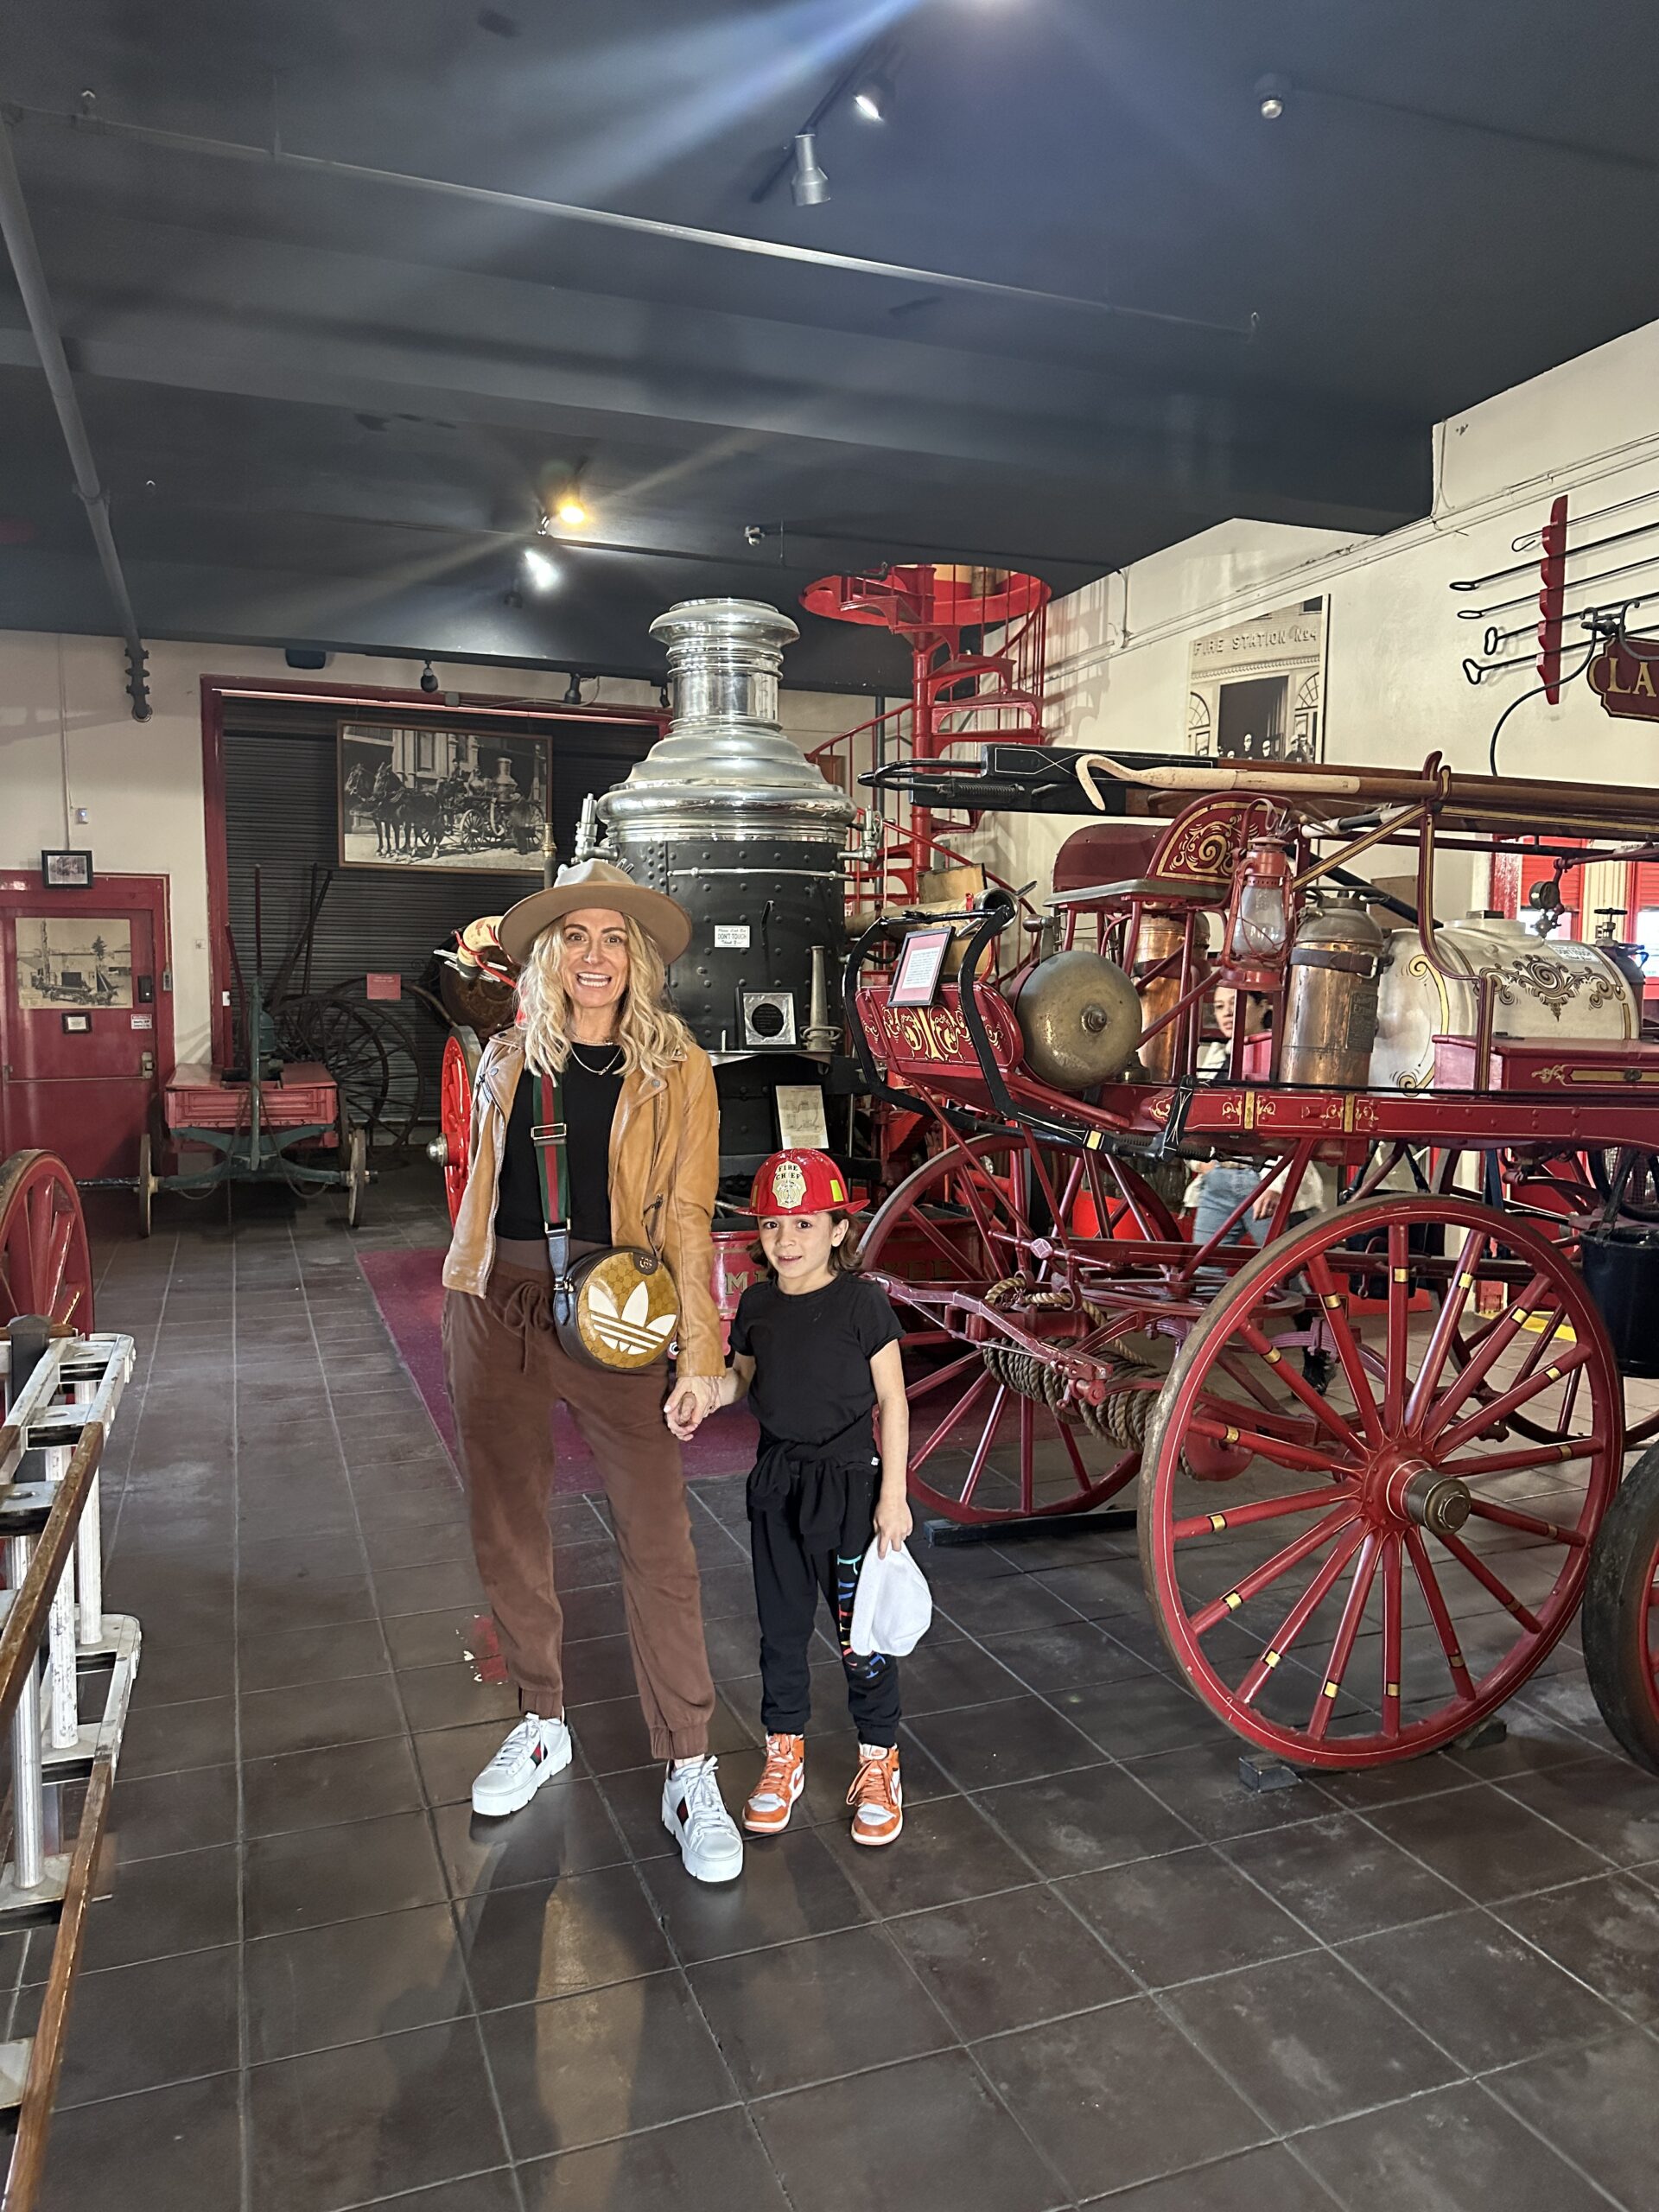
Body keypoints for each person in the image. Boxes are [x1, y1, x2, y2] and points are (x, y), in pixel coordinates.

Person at [442, 857, 744, 1884]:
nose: (596, 956)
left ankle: (690, 1760)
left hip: (623, 1313)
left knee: (659, 1537)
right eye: (576, 936)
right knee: (509, 1523)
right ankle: (540, 1720)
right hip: (499, 1306)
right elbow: (481, 1195)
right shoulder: (506, 1058)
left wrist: (699, 1355)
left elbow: (693, 1220)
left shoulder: (679, 1070)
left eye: (615, 938)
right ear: (546, 953)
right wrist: (467, 1294)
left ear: (641, 958)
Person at [671, 1149, 913, 1847]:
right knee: (779, 1631)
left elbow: (894, 1402)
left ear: (839, 1229)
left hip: (850, 1492)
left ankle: (878, 1760)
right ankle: (785, 1754)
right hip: (776, 1488)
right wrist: (702, 1391)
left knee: (859, 1637)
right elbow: (740, 1379)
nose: (787, 1241)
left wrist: (891, 1495)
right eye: (774, 1226)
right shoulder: (756, 1303)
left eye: (805, 1225)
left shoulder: (862, 1303)